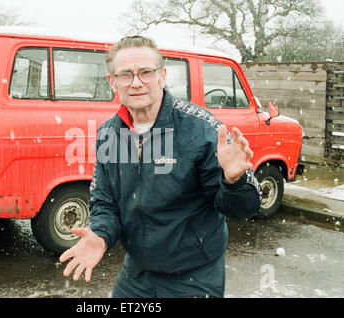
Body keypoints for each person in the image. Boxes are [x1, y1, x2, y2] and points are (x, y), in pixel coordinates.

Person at [59, 35, 262, 298]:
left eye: (146, 72)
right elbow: (105, 203)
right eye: (125, 75)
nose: (136, 83)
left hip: (194, 275)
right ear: (113, 82)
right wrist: (99, 235)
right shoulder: (109, 133)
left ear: (162, 76)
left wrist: (235, 182)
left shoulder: (200, 130)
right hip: (137, 274)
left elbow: (242, 208)